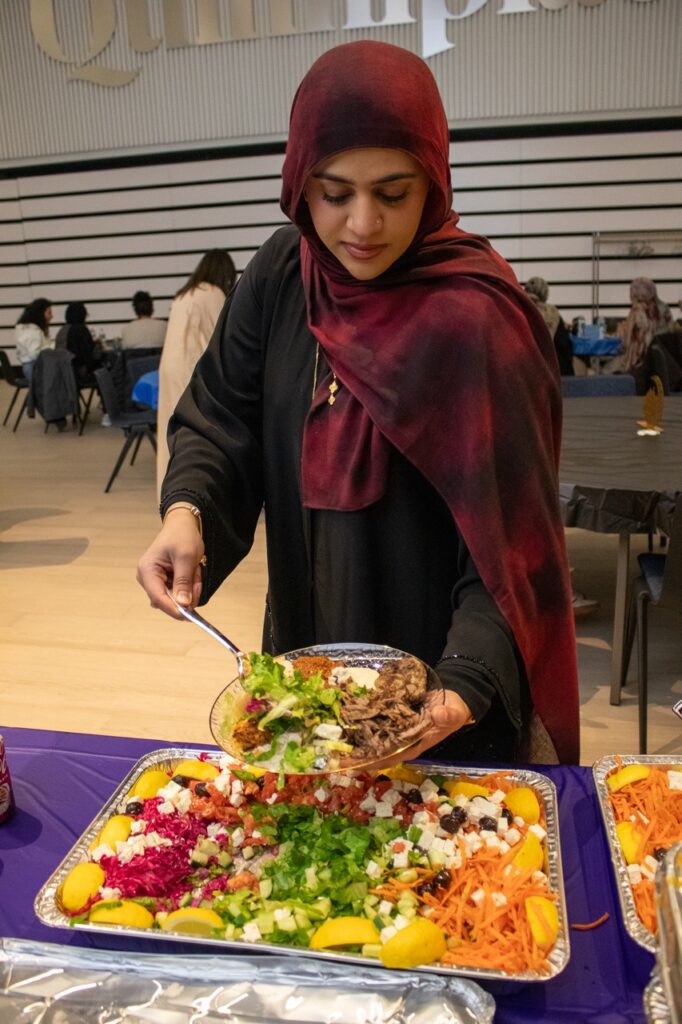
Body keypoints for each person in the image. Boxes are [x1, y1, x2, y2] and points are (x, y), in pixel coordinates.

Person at [137, 41, 579, 766]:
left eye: (394, 194)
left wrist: (467, 677)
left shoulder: (475, 314)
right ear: (299, 186)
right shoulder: (284, 274)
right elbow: (221, 419)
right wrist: (187, 512)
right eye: (335, 194)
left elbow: (514, 537)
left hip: (441, 683)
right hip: (309, 650)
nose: (363, 226)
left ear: (433, 181)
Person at [156, 250, 237, 493]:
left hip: (169, 366)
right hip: (190, 366)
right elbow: (221, 335)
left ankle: (169, 489)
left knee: (171, 430)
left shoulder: (186, 293)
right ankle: (194, 490)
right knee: (196, 431)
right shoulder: (212, 293)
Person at [608, 277, 673, 375]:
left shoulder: (637, 311)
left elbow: (626, 343)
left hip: (636, 363)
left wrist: (620, 333)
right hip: (660, 362)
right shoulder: (662, 309)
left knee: (601, 371)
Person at [523, 277, 574, 376]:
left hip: (528, 370)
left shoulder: (520, 310)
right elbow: (564, 345)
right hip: (555, 371)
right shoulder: (553, 313)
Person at [54, 302, 102, 386]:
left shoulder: (62, 330)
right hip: (79, 374)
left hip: (62, 374)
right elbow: (90, 356)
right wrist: (98, 345)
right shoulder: (81, 329)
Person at [14, 298, 53, 381]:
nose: (52, 316)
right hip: (34, 368)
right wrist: (52, 346)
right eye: (49, 313)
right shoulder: (32, 331)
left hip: (31, 366)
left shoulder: (27, 329)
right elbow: (34, 354)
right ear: (40, 314)